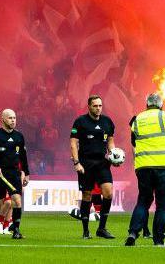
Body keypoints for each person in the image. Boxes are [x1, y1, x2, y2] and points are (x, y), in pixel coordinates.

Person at [125, 93, 165, 247]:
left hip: (144, 167)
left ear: (146, 104)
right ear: (161, 104)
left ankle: (133, 232)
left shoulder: (136, 119)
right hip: (163, 166)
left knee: (143, 201)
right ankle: (158, 240)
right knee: (162, 204)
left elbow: (134, 141)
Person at [69, 95, 118, 239]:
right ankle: (85, 231)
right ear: (89, 106)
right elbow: (73, 143)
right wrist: (77, 163)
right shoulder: (80, 122)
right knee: (87, 195)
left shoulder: (107, 122)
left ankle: (102, 228)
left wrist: (114, 155)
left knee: (108, 193)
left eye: (100, 106)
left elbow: (110, 142)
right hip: (85, 163)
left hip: (103, 163)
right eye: (95, 106)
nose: (98, 108)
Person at [0, 109, 28, 240]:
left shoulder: (19, 136)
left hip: (14, 173)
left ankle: (16, 230)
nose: (13, 120)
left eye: (14, 118)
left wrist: (26, 173)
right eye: (10, 118)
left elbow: (23, 156)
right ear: (3, 119)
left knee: (17, 200)